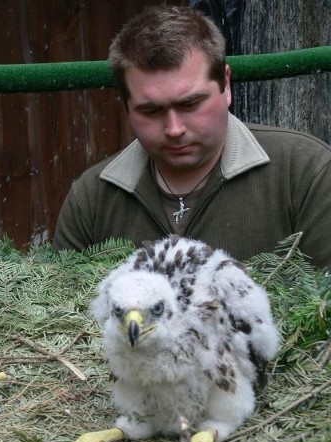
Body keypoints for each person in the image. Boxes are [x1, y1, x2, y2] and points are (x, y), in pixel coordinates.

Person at [53, 5, 331, 269]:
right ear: (126, 105)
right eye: (151, 110)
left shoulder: (305, 172)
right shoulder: (91, 199)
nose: (174, 129)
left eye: (190, 104)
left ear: (225, 85)